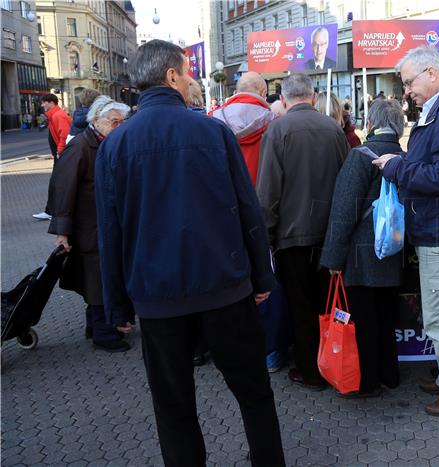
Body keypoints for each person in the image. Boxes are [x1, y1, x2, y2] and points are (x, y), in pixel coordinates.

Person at [94, 40, 285, 466]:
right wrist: (261, 278)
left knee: (174, 409)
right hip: (225, 289)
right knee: (254, 394)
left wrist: (117, 306)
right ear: (172, 76)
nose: (193, 78)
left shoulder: (115, 145)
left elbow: (110, 233)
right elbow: (247, 210)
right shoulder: (213, 131)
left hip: (157, 300)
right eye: (188, 70)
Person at [373, 46, 439, 417]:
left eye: (408, 81)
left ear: (432, 74)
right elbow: (438, 165)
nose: (405, 91)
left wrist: (396, 168)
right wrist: (404, 162)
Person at [256, 73, 349, 390]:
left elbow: (268, 192)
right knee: (328, 303)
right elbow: (346, 184)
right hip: (328, 235)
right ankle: (332, 362)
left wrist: (265, 238)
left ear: (283, 99)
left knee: (300, 306)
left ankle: (311, 371)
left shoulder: (278, 130)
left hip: (291, 237)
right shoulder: (334, 130)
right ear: (312, 96)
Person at [319, 99, 405, 398]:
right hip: (393, 247)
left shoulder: (360, 156)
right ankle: (390, 374)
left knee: (364, 318)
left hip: (362, 252)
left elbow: (344, 211)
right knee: (386, 315)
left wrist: (332, 257)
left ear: (371, 121)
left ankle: (368, 381)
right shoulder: (404, 155)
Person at [48, 95, 132, 353]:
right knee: (97, 279)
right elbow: (63, 189)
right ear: (97, 121)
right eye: (114, 122)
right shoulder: (81, 147)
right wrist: (62, 231)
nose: (119, 127)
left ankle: (95, 326)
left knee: (99, 277)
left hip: (102, 225)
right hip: (89, 227)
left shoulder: (105, 142)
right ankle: (103, 333)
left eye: (122, 122)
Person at [211, 71, 276, 185]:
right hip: (260, 194)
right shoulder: (275, 122)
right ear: (263, 93)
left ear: (236, 92)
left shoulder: (211, 119)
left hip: (223, 194)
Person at [33, 94, 73, 221]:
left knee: (56, 184)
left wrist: (60, 151)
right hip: (61, 155)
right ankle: (51, 211)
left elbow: (64, 135)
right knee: (57, 184)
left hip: (62, 155)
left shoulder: (57, 116)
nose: (42, 105)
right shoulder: (54, 116)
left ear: (51, 103)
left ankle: (52, 211)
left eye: (44, 102)